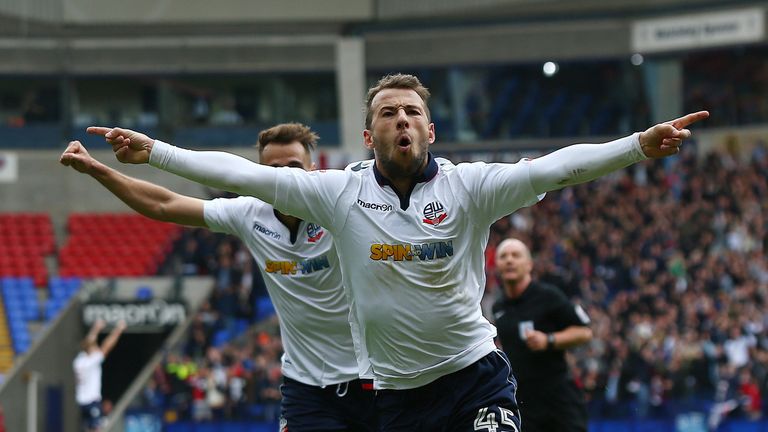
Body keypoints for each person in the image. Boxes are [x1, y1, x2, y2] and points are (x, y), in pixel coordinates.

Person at [86, 73, 708, 431]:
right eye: (388, 113)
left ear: (431, 130)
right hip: (396, 398)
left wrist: (635, 147)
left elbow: (555, 168)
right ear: (368, 134)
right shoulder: (336, 194)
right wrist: (157, 152)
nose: (402, 120)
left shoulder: (470, 188)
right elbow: (244, 176)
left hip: (474, 378)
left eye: (413, 111)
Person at [60, 123, 376, 432]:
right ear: (259, 176)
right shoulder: (250, 214)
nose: (285, 176)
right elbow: (164, 204)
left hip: (370, 378)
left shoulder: (339, 209)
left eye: (294, 166)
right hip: (306, 386)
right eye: (274, 169)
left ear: (312, 171)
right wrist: (96, 169)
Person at [491, 238, 592, 432]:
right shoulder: (498, 307)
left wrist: (549, 340)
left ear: (529, 265)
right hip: (523, 402)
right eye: (503, 256)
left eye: (515, 255)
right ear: (497, 267)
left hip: (558, 398)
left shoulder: (548, 296)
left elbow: (584, 331)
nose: (509, 260)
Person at [73, 319, 126, 432]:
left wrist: (96, 328)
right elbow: (106, 346)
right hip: (92, 401)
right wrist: (118, 330)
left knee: (88, 428)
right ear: (90, 350)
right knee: (97, 428)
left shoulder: (79, 360)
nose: (96, 348)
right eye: (95, 347)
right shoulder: (92, 361)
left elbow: (89, 342)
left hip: (82, 401)